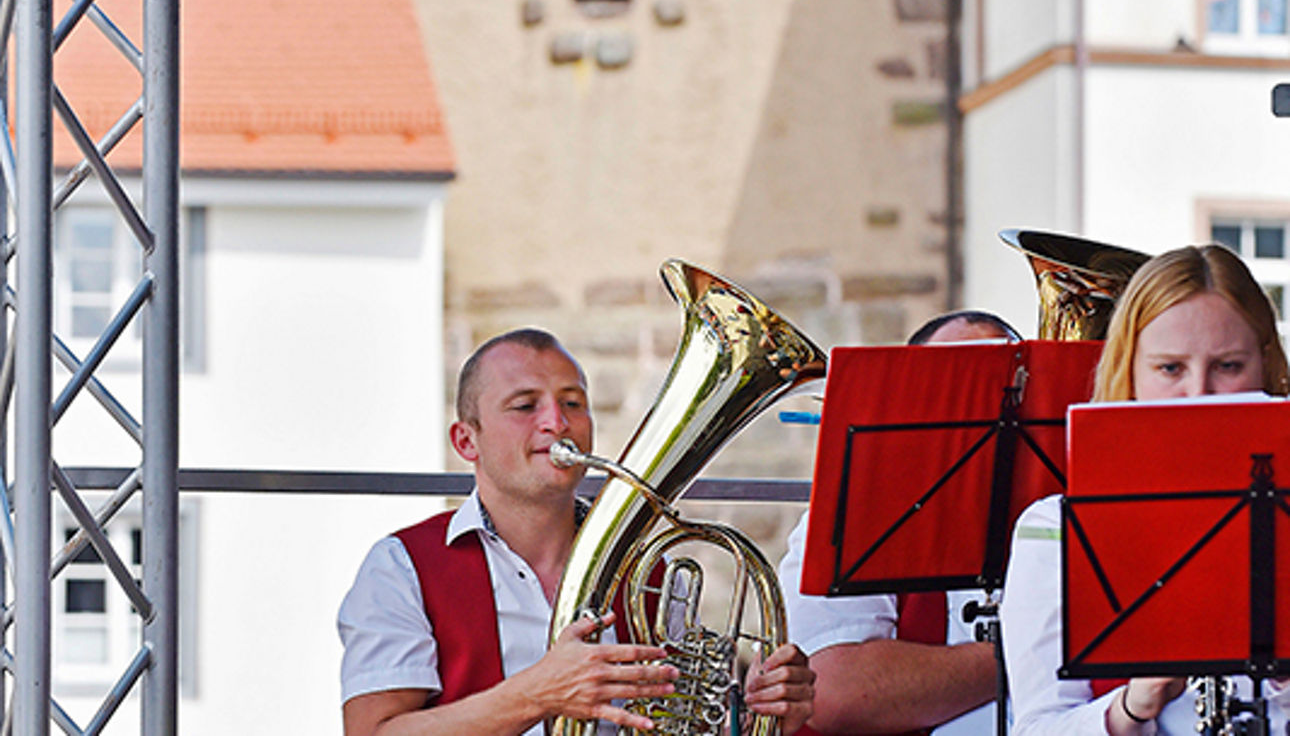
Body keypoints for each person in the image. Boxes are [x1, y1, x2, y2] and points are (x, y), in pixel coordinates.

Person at [338, 327, 816, 736]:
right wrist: (536, 693)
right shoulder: (402, 567)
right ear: (467, 440)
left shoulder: (649, 573)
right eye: (525, 405)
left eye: (573, 403)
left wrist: (750, 711)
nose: (558, 423)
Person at [1001, 243, 1290, 735]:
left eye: (1228, 366)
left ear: (1266, 364)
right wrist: (1130, 708)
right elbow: (1037, 728)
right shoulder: (1054, 529)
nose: (1198, 394)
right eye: (1170, 368)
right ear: (1129, 370)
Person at [778, 309, 1022, 736]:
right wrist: (1037, 651)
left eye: (1006, 381)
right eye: (956, 383)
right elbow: (836, 692)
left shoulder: (1065, 512)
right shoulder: (853, 514)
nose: (986, 401)